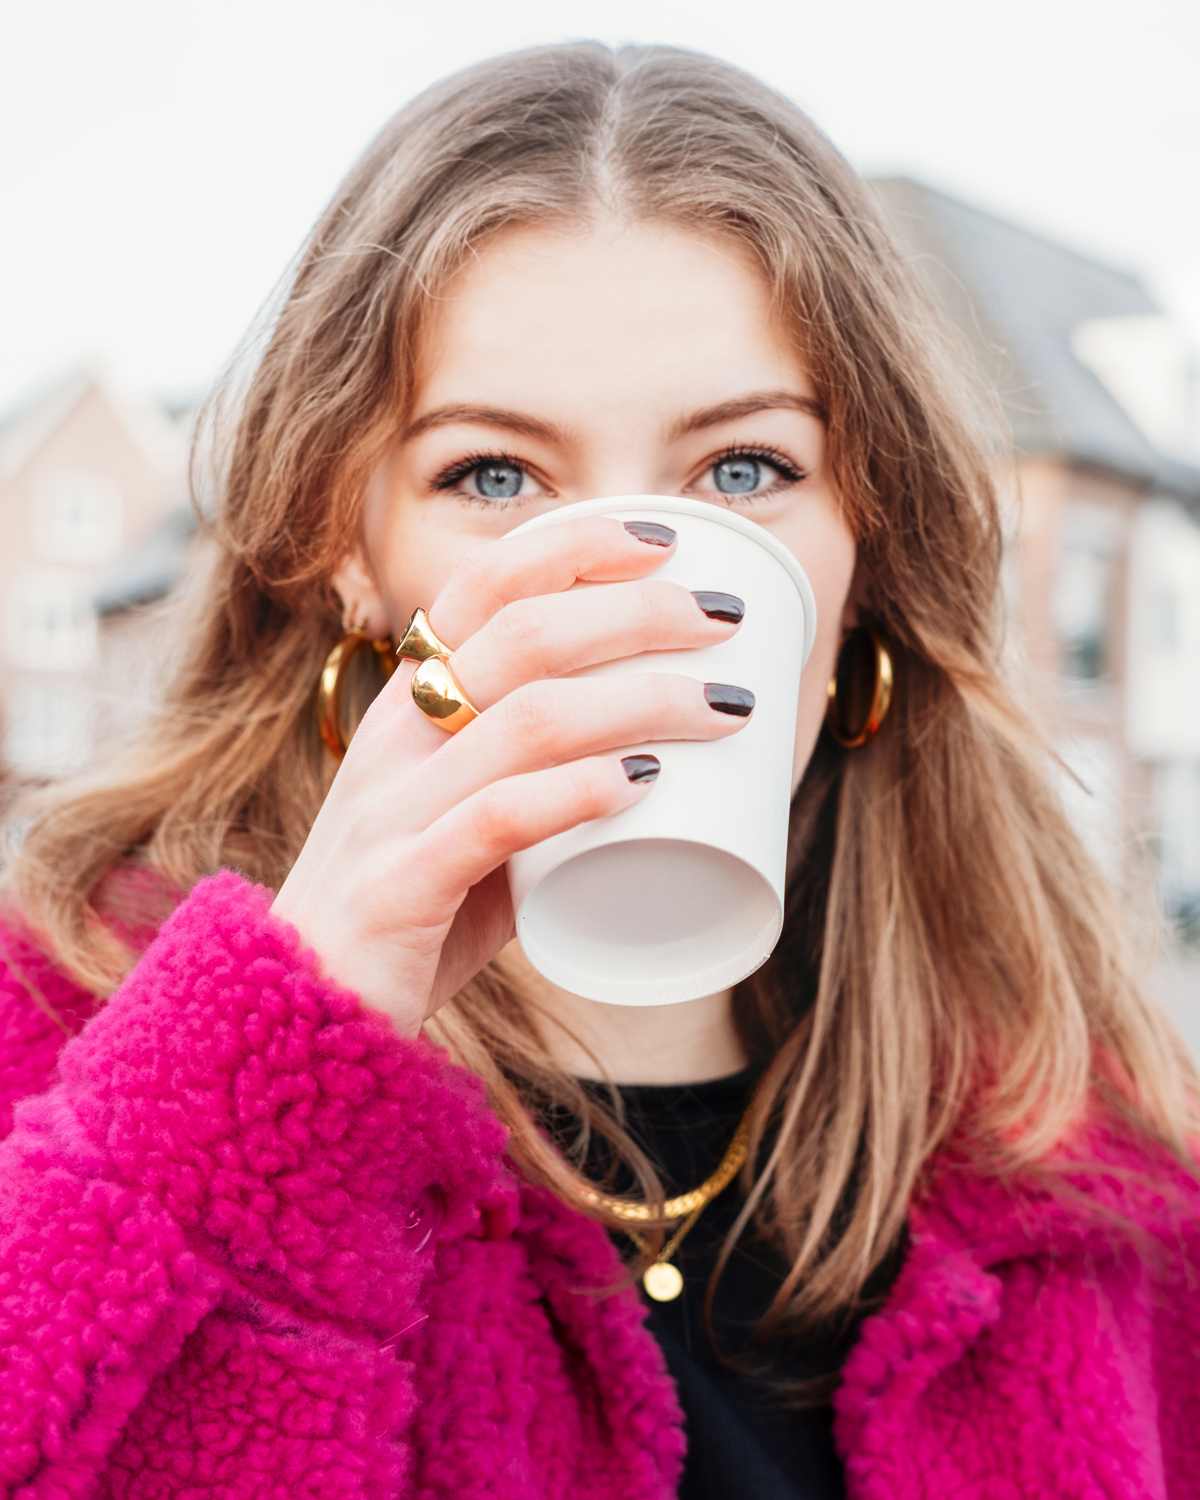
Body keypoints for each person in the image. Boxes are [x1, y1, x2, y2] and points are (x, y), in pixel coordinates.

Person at [0, 41, 1196, 1500]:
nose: (623, 577)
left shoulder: (1086, 1147)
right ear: (344, 549)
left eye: (745, 471)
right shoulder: (69, 1039)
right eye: (494, 478)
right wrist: (272, 1070)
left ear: (865, 549)